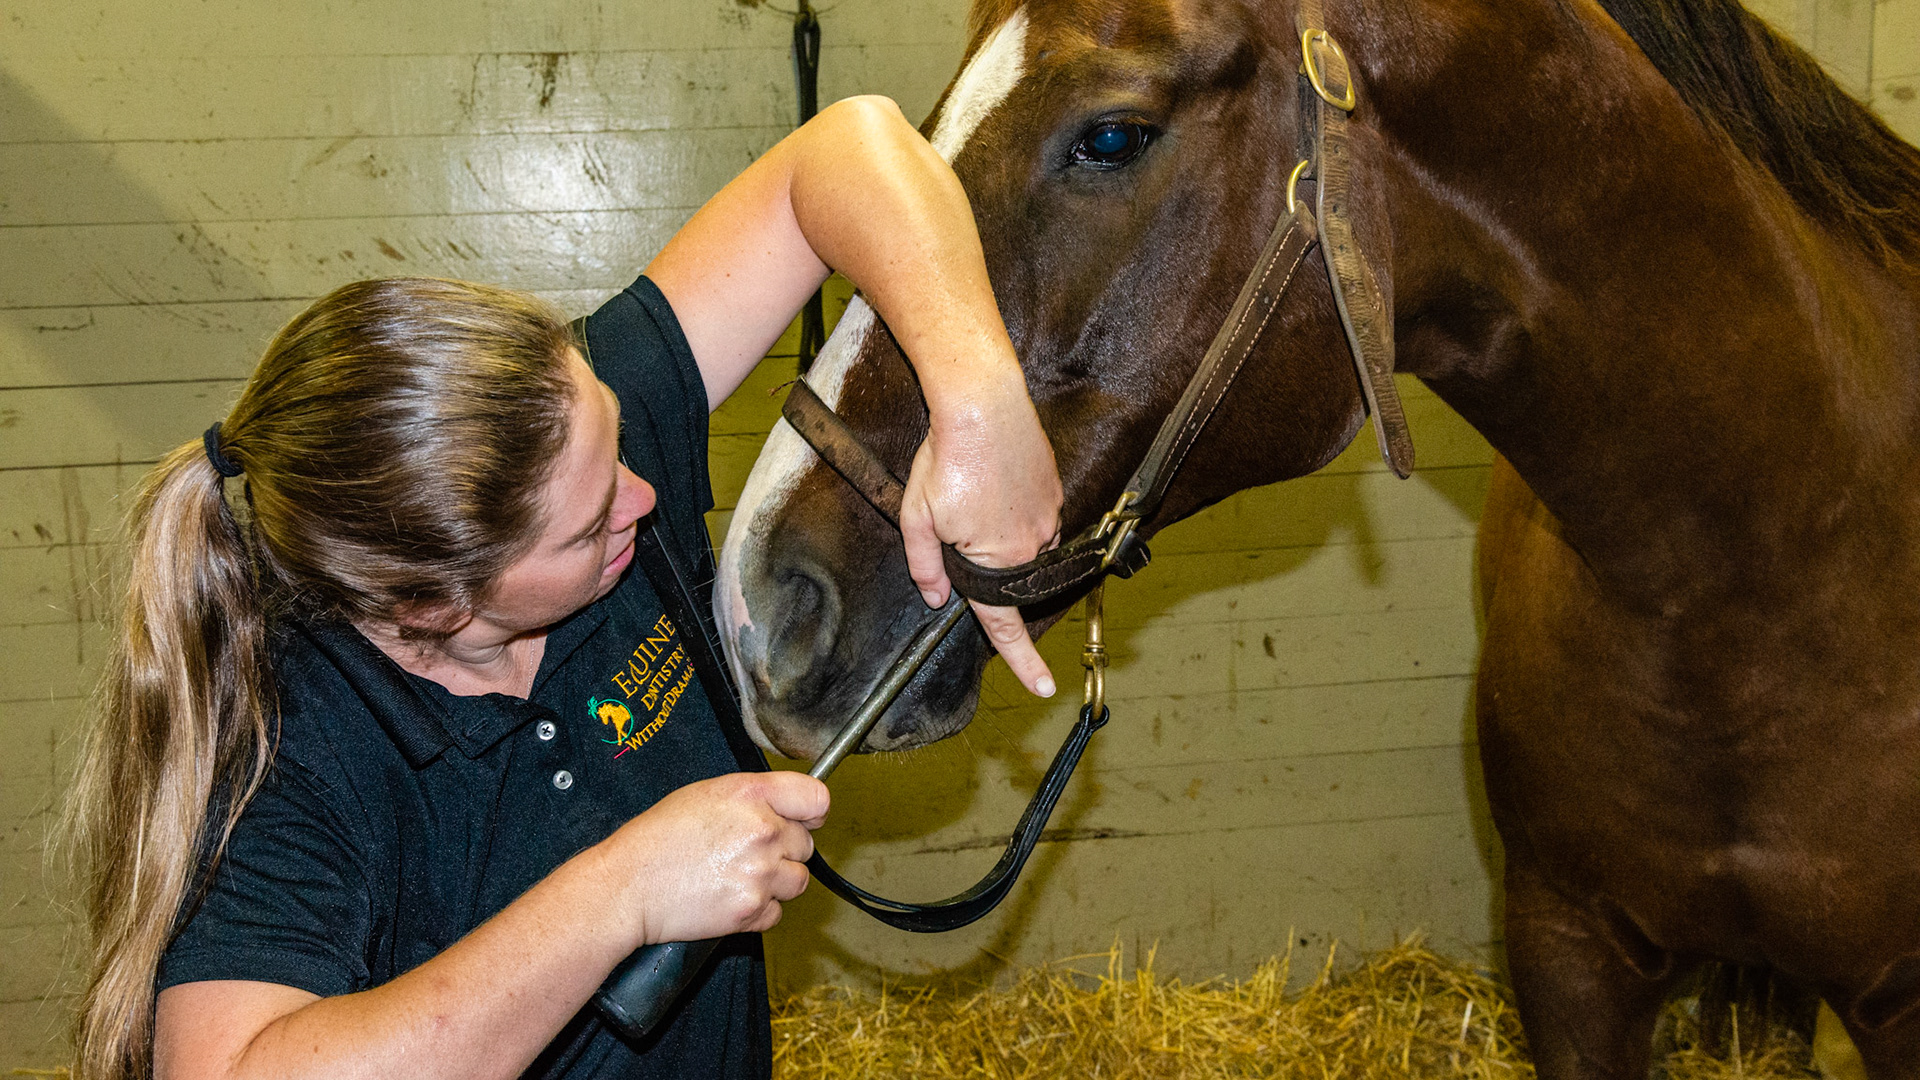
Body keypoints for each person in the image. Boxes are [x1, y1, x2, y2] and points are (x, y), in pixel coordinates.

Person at [64, 95, 1063, 1080]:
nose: (643, 495)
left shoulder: (564, 436)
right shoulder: (296, 746)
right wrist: (624, 892)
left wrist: (980, 403)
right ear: (430, 605)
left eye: (618, 438)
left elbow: (845, 148)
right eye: (588, 525)